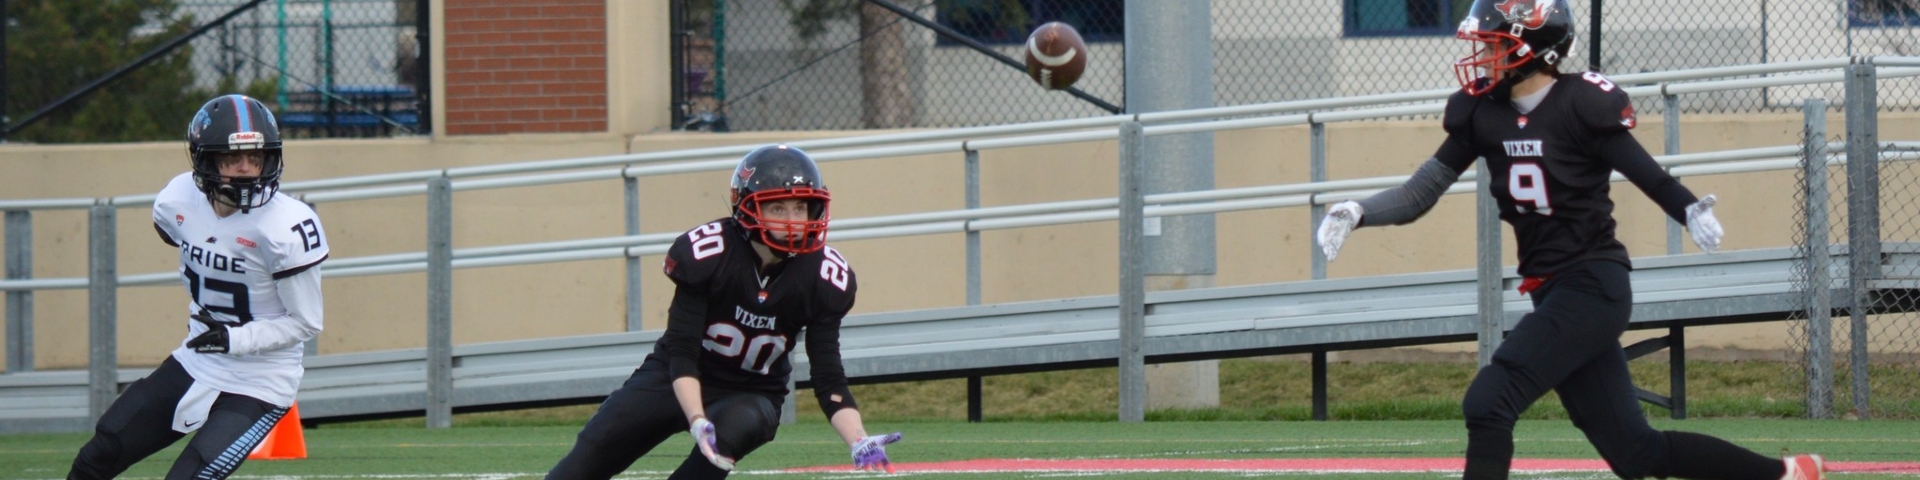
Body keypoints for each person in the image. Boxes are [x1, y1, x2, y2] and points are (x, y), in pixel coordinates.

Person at [1316, 1, 1823, 480]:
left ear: (1531, 48)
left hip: (1592, 284)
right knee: (1635, 452)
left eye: (1493, 45)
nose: (1482, 56)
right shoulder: (1484, 113)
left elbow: (1648, 174)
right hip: (1552, 289)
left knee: (1489, 402)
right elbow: (1419, 192)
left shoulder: (1580, 104)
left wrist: (1688, 208)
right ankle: (1787, 473)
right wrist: (1359, 212)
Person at [547, 145, 901, 479]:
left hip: (751, 392)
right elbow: (682, 351)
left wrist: (858, 439)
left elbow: (828, 376)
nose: (792, 220)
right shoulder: (710, 254)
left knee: (734, 429)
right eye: (777, 209)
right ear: (747, 207)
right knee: (589, 456)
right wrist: (696, 417)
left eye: (800, 208)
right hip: (675, 377)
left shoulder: (824, 277)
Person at [69, 94, 327, 479]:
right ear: (205, 160)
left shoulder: (286, 227)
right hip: (196, 360)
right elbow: (179, 233)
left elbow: (306, 323)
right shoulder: (178, 199)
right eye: (232, 158)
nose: (246, 169)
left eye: (255, 157)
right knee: (100, 453)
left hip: (260, 380)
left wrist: (234, 339)